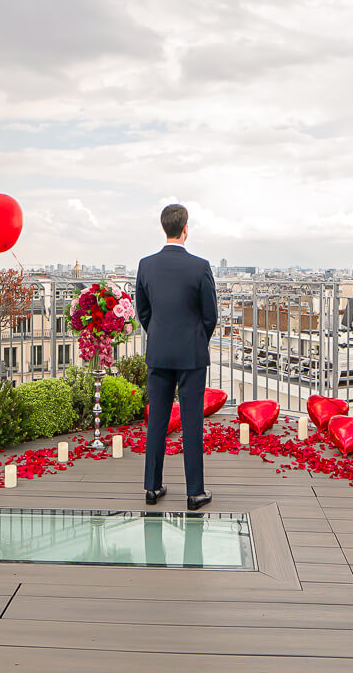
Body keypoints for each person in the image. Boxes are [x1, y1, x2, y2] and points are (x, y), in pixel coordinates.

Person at [134, 204, 218, 510]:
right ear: (185, 228)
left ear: (163, 227)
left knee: (157, 419)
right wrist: (196, 339)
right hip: (191, 353)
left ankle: (152, 488)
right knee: (192, 421)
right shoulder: (200, 266)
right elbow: (210, 314)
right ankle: (195, 492)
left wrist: (158, 333)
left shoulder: (146, 265)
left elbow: (142, 310)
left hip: (159, 350)